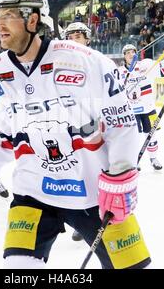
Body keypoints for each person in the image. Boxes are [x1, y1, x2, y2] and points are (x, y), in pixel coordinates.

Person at [0, 0, 151, 269]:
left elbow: (121, 122)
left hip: (95, 192)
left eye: (8, 15)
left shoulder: (85, 62)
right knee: (18, 269)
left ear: (33, 20)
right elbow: (1, 138)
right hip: (34, 192)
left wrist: (120, 174)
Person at [118, 43, 164, 171]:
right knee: (133, 137)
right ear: (123, 56)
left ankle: (154, 158)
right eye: (127, 53)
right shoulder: (119, 72)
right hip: (130, 111)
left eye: (133, 52)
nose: (130, 55)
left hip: (148, 108)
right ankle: (134, 160)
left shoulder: (146, 65)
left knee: (151, 135)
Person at [63, 21, 91, 242]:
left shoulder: (99, 62)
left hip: (92, 123)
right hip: (65, 124)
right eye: (70, 36)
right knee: (73, 171)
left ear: (87, 39)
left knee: (94, 168)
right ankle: (79, 219)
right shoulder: (56, 64)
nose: (75, 39)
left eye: (79, 36)